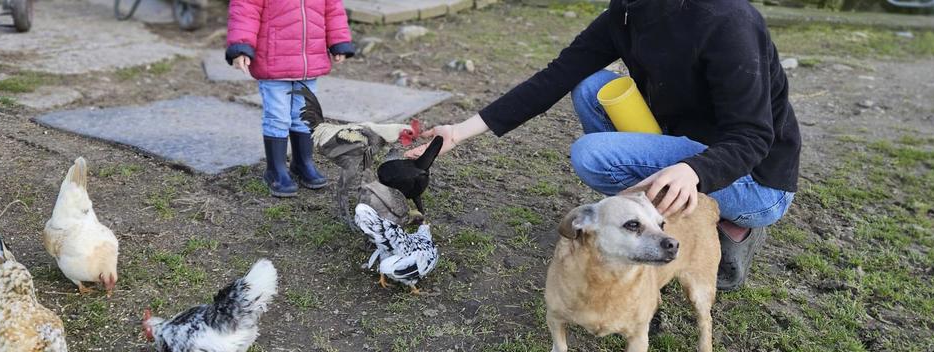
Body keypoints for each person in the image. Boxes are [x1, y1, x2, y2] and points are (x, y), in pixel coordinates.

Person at [408, 0, 800, 290]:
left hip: (756, 181)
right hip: (688, 149)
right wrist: (459, 131)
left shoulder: (727, 20)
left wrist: (695, 171)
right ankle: (654, 222)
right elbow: (556, 76)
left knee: (592, 155)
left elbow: (752, 136)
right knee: (591, 87)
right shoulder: (629, 11)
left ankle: (715, 228)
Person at [226, 0, 355, 198]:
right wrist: (241, 46)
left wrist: (339, 41)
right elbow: (245, 9)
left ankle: (302, 163)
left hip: (309, 60)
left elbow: (333, 8)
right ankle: (275, 170)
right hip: (274, 59)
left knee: (304, 115)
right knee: (278, 117)